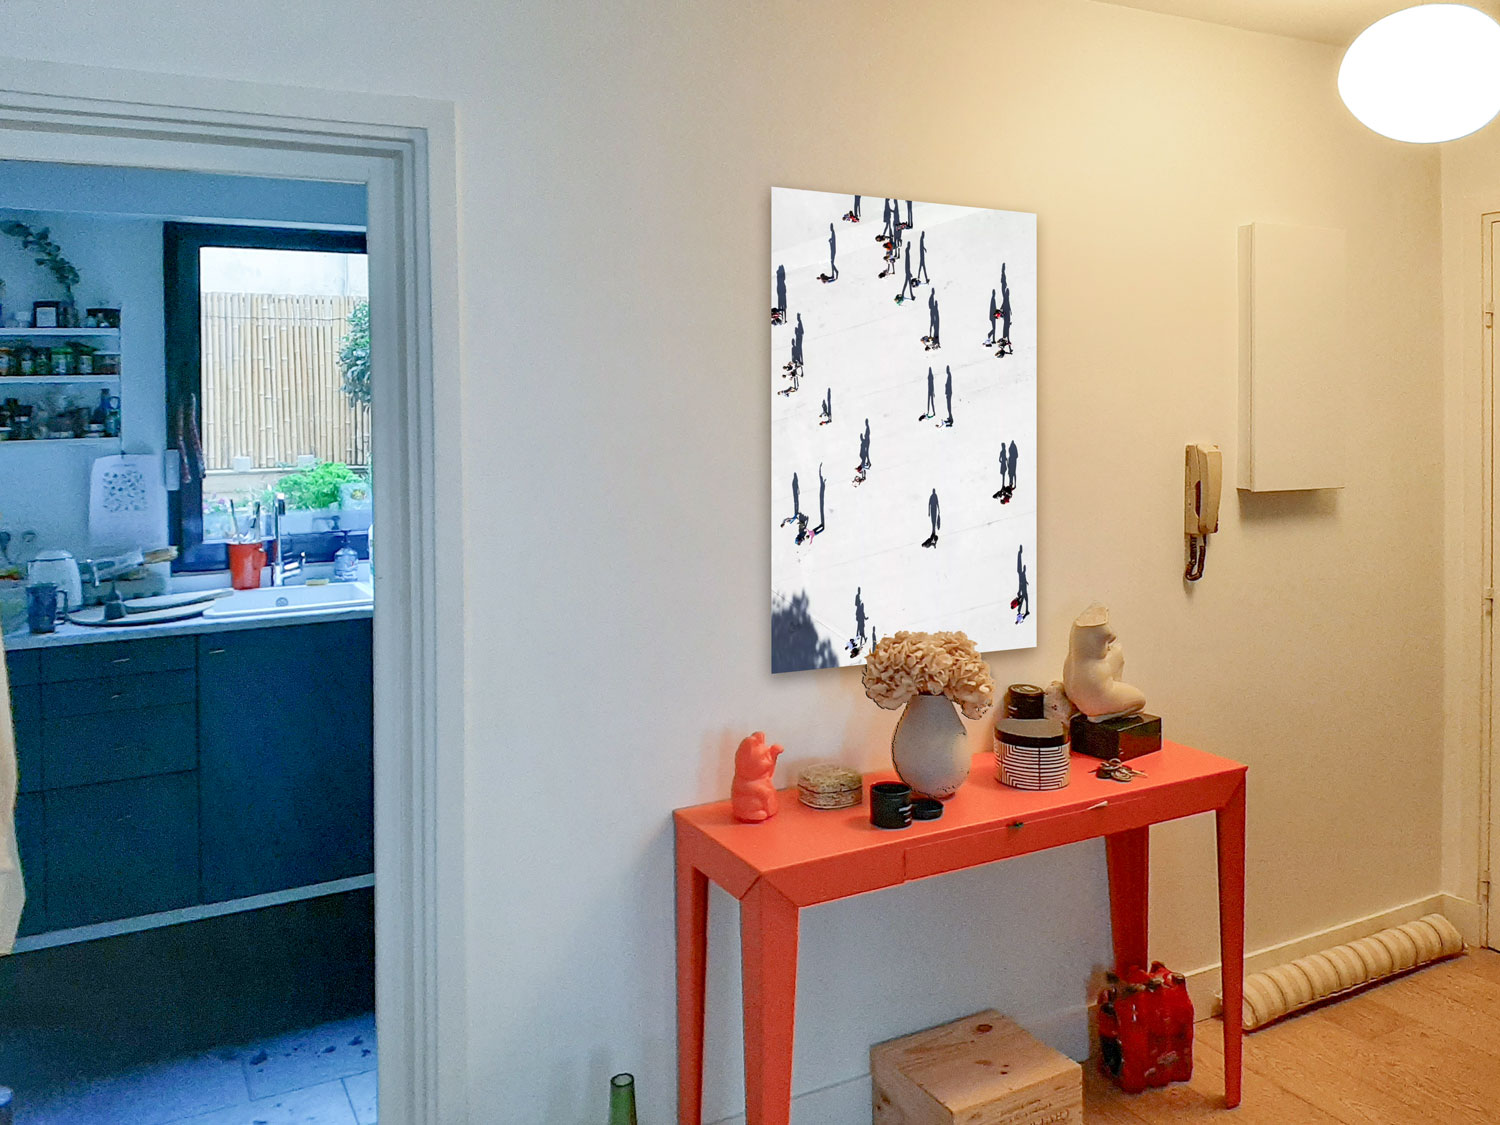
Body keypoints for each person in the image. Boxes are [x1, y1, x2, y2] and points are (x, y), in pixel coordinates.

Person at [997, 264, 1013, 357]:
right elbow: (1006, 344)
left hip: (1006, 328)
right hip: (1005, 329)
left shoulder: (1001, 345)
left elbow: (1006, 344)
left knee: (1006, 330)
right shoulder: (1002, 345)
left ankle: (1001, 314)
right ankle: (1001, 313)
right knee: (1006, 331)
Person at [815, 463, 827, 534]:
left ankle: (822, 526)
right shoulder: (811, 534)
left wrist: (820, 467)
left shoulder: (811, 534)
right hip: (821, 494)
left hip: (821, 494)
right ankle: (822, 526)